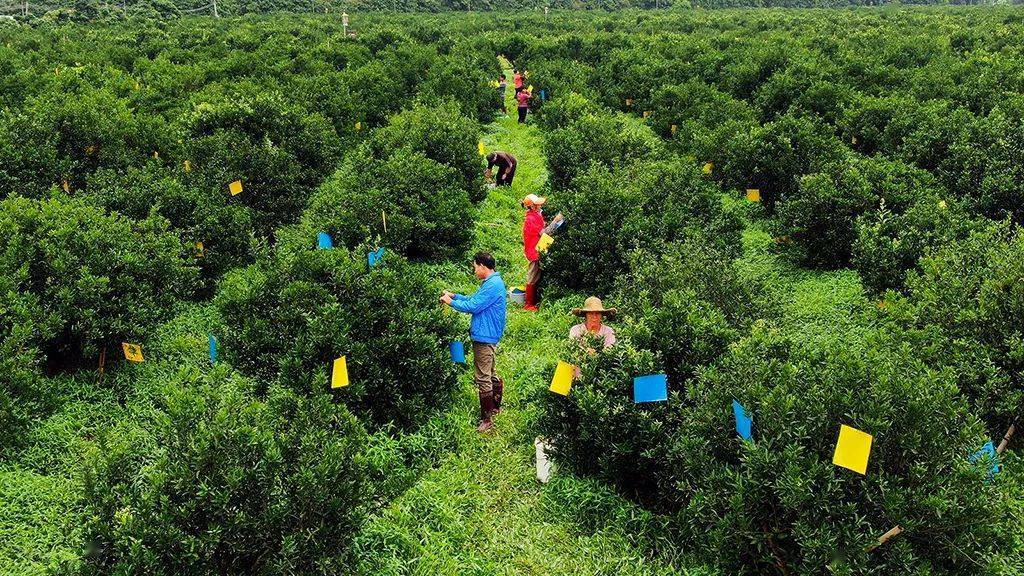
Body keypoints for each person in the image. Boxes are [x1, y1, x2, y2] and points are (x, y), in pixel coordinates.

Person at [441, 252, 507, 433]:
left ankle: (487, 419)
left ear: (483, 267)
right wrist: (456, 296)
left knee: (483, 376)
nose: (474, 270)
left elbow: (473, 306)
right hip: (488, 334)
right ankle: (494, 407)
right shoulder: (492, 283)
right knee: (490, 372)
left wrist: (450, 302)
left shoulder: (492, 285)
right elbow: (474, 300)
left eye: (475, 267)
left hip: (485, 336)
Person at [521, 193, 561, 312]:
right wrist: (555, 221)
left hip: (539, 247)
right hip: (534, 251)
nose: (540, 205)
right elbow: (544, 233)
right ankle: (528, 304)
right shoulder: (531, 219)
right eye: (538, 204)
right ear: (532, 206)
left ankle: (533, 301)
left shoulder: (536, 215)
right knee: (532, 276)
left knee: (537, 275)